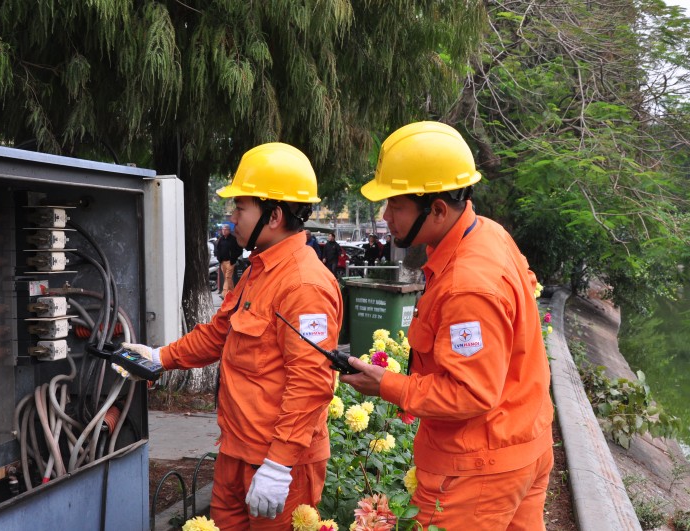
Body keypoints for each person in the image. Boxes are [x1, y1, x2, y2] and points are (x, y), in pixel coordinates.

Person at [117, 143, 343, 530]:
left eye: (240, 207)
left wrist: (278, 464)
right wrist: (158, 358)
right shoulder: (259, 269)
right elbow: (217, 335)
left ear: (273, 215)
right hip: (237, 453)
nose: (232, 216)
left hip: (278, 466)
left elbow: (310, 383)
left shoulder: (304, 284)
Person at [341, 121, 553, 530]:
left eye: (396, 206)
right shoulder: (489, 235)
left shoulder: (466, 285)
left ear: (437, 208)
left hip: (476, 470)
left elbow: (470, 392)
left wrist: (386, 384)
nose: (386, 217)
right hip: (523, 447)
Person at [215, 224, 242, 295]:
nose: (224, 231)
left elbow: (239, 250)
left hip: (230, 262)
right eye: (223, 229)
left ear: (229, 230)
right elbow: (218, 250)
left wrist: (233, 258)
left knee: (228, 277)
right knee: (227, 278)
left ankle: (224, 294)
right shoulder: (221, 239)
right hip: (222, 262)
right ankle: (233, 293)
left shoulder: (233, 239)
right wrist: (219, 258)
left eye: (225, 229)